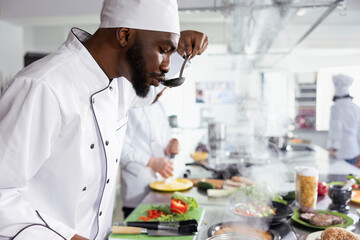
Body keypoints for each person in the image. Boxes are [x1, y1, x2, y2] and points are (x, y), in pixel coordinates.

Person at [0, 0, 209, 239]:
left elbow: (149, 92)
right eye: (162, 50)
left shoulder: (118, 84)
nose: (166, 65)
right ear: (124, 35)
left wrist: (180, 50)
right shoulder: (43, 87)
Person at [120, 87, 178, 218]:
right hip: (137, 192)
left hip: (162, 188)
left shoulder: (159, 106)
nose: (163, 91)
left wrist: (169, 147)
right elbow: (120, 150)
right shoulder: (129, 107)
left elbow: (164, 138)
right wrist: (151, 161)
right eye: (161, 86)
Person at [328, 74, 360, 167]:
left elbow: (336, 128)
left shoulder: (335, 108)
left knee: (340, 179)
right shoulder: (356, 108)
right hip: (354, 150)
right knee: (352, 178)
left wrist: (333, 147)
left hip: (340, 152)